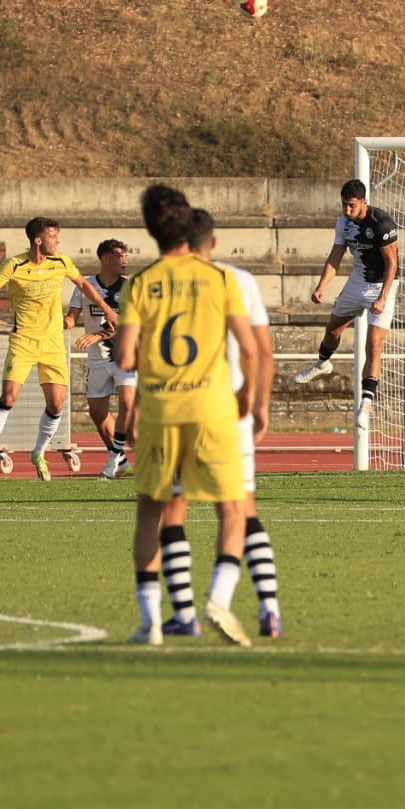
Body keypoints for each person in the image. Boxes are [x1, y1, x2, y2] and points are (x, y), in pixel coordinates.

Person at [116, 185, 259, 647]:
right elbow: (252, 348)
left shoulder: (140, 283)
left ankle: (150, 622)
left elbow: (124, 356)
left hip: (160, 408)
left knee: (151, 512)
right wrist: (249, 398)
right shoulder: (220, 280)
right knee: (233, 508)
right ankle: (219, 597)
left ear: (151, 229)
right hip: (213, 408)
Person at [156, 210, 285, 640]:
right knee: (241, 508)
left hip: (179, 410)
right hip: (231, 411)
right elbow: (262, 350)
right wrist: (259, 402)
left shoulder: (163, 282)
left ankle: (184, 614)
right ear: (212, 243)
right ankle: (266, 609)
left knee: (173, 511)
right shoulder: (240, 281)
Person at [0, 216, 119, 481]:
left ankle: (39, 453)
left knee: (56, 405)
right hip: (24, 341)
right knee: (9, 397)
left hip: (54, 342)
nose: (58, 241)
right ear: (38, 240)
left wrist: (106, 310)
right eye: (54, 236)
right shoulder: (16, 264)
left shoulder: (62, 261)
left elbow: (84, 285)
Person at [291, 178, 399, 428]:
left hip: (382, 286)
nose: (347, 211)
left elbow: (392, 263)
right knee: (332, 329)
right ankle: (322, 363)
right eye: (344, 205)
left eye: (351, 206)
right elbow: (335, 257)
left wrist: (383, 297)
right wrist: (321, 286)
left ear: (364, 203)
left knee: (373, 345)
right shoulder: (343, 224)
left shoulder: (381, 224)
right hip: (356, 283)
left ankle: (365, 405)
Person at [64, 238, 136, 479]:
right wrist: (54, 324)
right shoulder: (85, 286)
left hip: (126, 356)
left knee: (127, 403)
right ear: (104, 258)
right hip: (96, 360)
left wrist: (98, 335)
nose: (124, 260)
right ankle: (121, 459)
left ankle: (112, 461)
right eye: (119, 255)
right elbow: (72, 318)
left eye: (126, 256)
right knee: (97, 413)